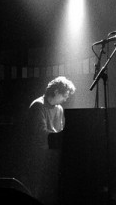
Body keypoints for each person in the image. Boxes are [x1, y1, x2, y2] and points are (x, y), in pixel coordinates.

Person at [22, 76, 76, 205]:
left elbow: (60, 130)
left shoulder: (59, 109)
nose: (66, 99)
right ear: (56, 92)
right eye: (65, 95)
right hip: (38, 156)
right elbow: (39, 134)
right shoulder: (38, 106)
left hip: (52, 155)